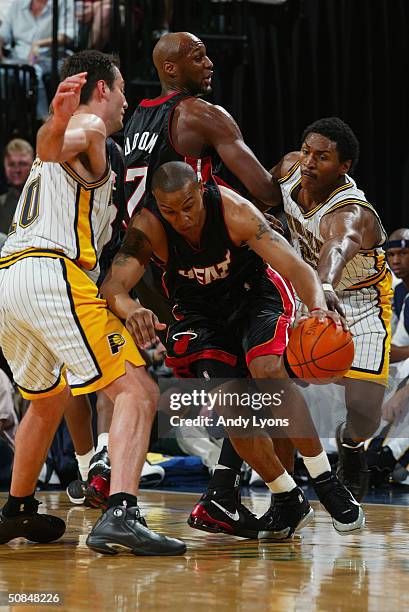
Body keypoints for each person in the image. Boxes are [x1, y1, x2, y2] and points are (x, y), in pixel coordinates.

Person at [101, 160, 365, 539]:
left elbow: (295, 267)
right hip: (200, 313)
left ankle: (325, 481)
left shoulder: (234, 210)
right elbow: (114, 287)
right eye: (171, 210)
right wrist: (133, 309)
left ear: (200, 189)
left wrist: (320, 305)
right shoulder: (149, 227)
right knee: (231, 406)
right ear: (158, 205)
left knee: (269, 371)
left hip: (255, 295)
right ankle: (287, 496)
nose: (183, 218)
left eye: (189, 205)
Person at [0, 50, 185, 556]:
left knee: (47, 400)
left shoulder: (91, 142)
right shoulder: (89, 126)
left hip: (10, 281)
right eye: (122, 89)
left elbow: (51, 150)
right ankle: (123, 512)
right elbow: (55, 145)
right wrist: (57, 122)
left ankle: (16, 509)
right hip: (51, 269)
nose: (127, 100)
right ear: (102, 89)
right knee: (138, 391)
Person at [123, 31, 286, 535]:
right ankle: (293, 487)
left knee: (236, 388)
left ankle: (220, 491)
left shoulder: (136, 121)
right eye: (198, 55)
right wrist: (290, 177)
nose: (210, 61)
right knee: (265, 378)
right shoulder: (198, 113)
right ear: (171, 69)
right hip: (208, 264)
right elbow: (266, 188)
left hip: (154, 269)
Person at [268, 117, 392, 500]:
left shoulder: (353, 212)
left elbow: (337, 246)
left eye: (321, 157)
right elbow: (260, 191)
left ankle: (351, 446)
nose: (308, 162)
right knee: (273, 382)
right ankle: (283, 488)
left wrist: (323, 285)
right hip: (304, 292)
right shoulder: (289, 169)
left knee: (365, 415)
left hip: (360, 300)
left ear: (343, 167)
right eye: (307, 151)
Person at [365, 228, 409, 484]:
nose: (396, 261)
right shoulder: (403, 295)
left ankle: (390, 458)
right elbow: (396, 349)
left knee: (381, 464)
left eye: (403, 253)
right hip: (401, 378)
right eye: (391, 254)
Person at [0, 0, 75, 119]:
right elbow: (4, 34)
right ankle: (7, 120)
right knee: (4, 71)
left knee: (33, 70)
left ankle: (43, 119)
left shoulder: (63, 3)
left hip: (50, 56)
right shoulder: (18, 4)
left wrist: (38, 44)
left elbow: (68, 35)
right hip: (18, 57)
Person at [0, 138, 34, 234]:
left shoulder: (45, 199)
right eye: (11, 164)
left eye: (23, 164)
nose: (17, 170)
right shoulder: (1, 204)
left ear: (33, 165)